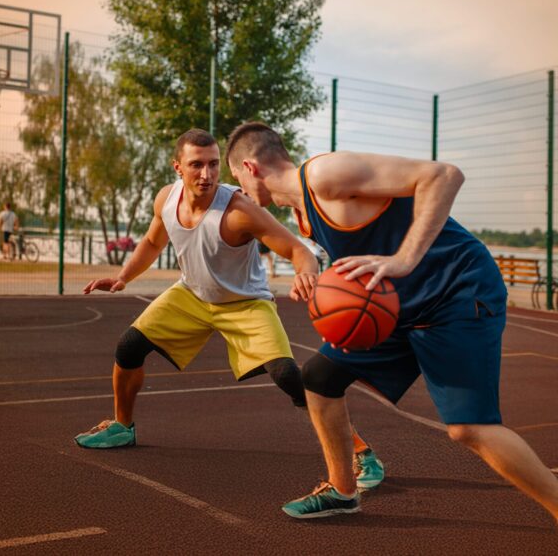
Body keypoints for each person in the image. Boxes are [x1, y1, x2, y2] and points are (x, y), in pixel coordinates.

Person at [225, 121, 558, 521]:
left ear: (249, 166)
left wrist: (404, 259)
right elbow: (365, 256)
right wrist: (316, 281)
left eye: (236, 179)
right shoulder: (304, 214)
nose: (241, 191)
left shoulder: (325, 174)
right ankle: (343, 490)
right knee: (319, 378)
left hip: (457, 292)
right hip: (402, 306)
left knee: (470, 428)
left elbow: (444, 175)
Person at [76, 128, 383, 491]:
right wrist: (123, 277)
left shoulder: (240, 212)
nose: (205, 175)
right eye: (195, 165)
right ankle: (122, 427)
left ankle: (361, 452)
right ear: (178, 167)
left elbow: (299, 251)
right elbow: (153, 240)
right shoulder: (166, 200)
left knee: (288, 377)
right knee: (129, 347)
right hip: (192, 295)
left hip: (246, 303)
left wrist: (306, 273)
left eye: (212, 165)